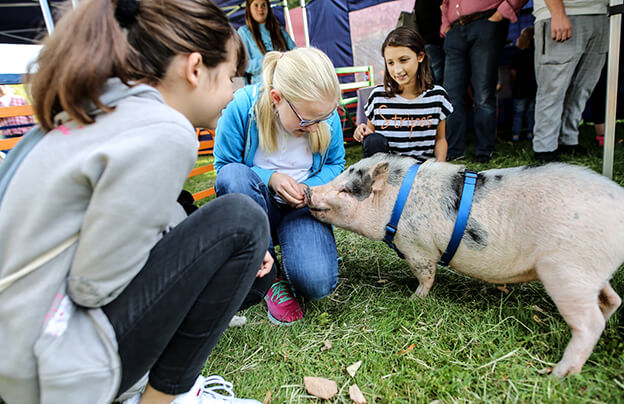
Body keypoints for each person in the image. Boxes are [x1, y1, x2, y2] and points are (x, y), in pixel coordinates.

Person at [0, 0, 273, 403]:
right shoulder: (164, 131)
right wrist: (195, 261)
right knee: (243, 224)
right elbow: (94, 286)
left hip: (15, 352)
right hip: (51, 368)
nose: (233, 93)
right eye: (230, 76)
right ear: (195, 68)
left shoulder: (91, 110)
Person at [214, 47, 345, 326]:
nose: (314, 128)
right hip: (256, 203)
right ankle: (269, 271)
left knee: (318, 283)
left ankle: (295, 255)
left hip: (301, 207)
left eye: (322, 120)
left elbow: (336, 164)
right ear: (277, 99)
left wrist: (307, 188)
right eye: (307, 121)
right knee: (234, 176)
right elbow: (225, 169)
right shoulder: (241, 107)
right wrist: (270, 178)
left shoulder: (322, 112)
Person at [440, 0, 529, 163]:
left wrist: (500, 14)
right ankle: (454, 152)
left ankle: (484, 151)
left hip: (486, 22)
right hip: (455, 29)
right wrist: (446, 25)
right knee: (450, 96)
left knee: (483, 93)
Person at [353, 27, 453, 163]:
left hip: (423, 172)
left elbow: (440, 139)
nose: (397, 70)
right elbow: (372, 139)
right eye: (391, 63)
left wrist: (439, 169)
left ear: (420, 57)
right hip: (389, 173)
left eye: (404, 60)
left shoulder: (438, 97)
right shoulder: (377, 97)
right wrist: (362, 131)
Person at [532, 0, 608, 161]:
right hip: (562, 12)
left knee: (584, 87)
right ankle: (544, 147)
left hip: (602, 13)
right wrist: (558, 13)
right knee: (552, 87)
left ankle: (569, 139)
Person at [238, 0, 296, 84]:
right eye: (256, 5)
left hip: (285, 82)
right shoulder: (244, 32)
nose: (260, 9)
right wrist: (267, 61)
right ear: (249, 9)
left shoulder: (279, 30)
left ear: (268, 8)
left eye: (263, 5)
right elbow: (243, 64)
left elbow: (295, 52)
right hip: (262, 85)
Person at [510, 26, 537, 142]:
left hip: (520, 90)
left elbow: (513, 73)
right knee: (531, 112)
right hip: (532, 89)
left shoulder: (517, 55)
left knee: (518, 113)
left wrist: (513, 85)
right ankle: (531, 133)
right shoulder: (535, 55)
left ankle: (516, 135)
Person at [413, 0, 444, 85]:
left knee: (433, 75)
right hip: (435, 41)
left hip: (425, 43)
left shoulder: (418, 4)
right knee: (439, 75)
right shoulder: (433, 4)